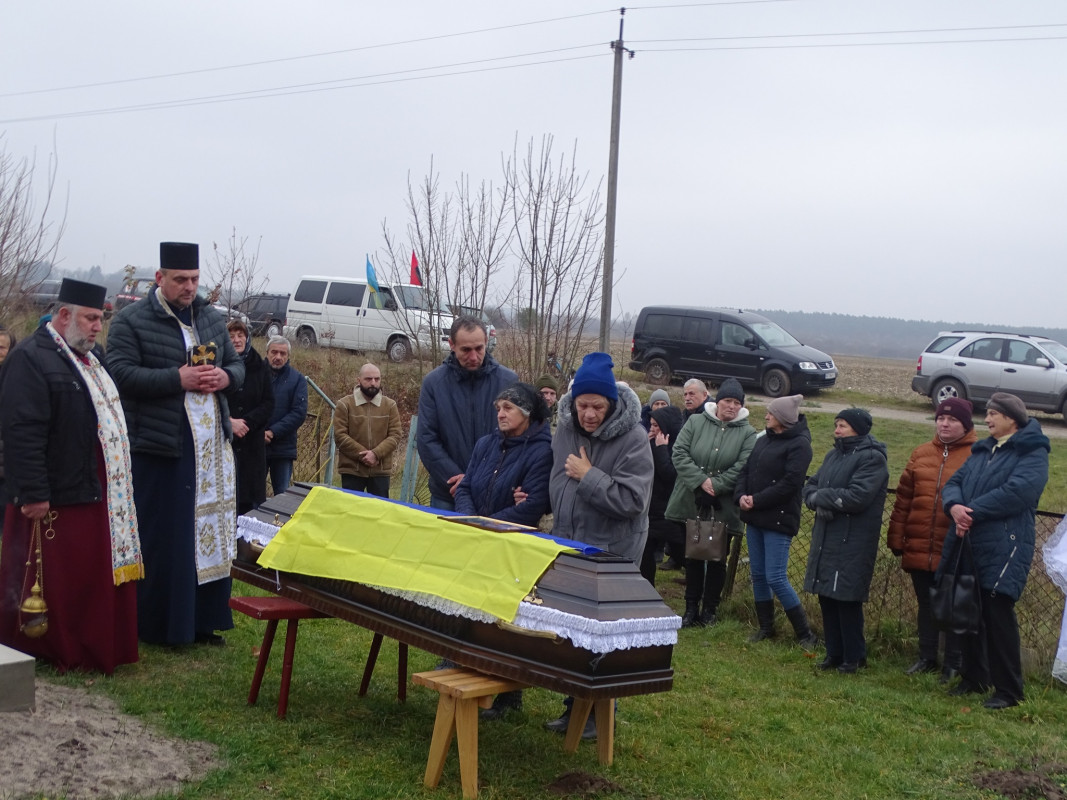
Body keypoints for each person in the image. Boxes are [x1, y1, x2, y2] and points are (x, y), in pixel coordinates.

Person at [0, 279, 142, 673]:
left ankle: (93, 645)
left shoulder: (92, 359)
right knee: (54, 581)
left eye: (101, 319)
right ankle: (53, 646)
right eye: (91, 318)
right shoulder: (31, 357)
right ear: (64, 316)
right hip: (53, 494)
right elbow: (22, 429)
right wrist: (32, 492)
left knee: (86, 579)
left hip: (95, 491)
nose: (99, 327)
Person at [107, 241, 244, 647]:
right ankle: (160, 625)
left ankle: (203, 621)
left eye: (195, 279)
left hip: (211, 450)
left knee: (208, 531)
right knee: (168, 536)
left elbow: (238, 364)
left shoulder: (209, 317)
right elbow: (120, 373)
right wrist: (176, 379)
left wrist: (226, 379)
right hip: (162, 446)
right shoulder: (132, 320)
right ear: (160, 279)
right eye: (181, 280)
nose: (189, 287)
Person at [545, 352, 654, 738]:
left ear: (611, 404)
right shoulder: (566, 430)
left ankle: (599, 712)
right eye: (582, 405)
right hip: (570, 542)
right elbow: (557, 479)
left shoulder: (634, 439)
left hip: (613, 550)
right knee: (572, 629)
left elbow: (632, 501)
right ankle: (573, 705)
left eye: (597, 406)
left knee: (603, 632)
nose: (589, 414)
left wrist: (588, 475)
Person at [941, 392, 1049, 709]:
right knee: (970, 610)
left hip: (1006, 543)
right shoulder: (983, 450)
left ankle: (1009, 690)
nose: (986, 420)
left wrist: (969, 512)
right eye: (986, 414)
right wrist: (954, 506)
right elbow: (955, 482)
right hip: (972, 541)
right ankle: (975, 678)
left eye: (993, 414)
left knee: (997, 613)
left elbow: (1018, 492)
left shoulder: (1032, 452)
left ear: (1011, 418)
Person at [454, 382, 553, 721]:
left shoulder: (541, 450)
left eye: (508, 408)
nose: (501, 414)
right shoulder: (485, 444)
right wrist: (473, 521)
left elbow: (532, 504)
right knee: (470, 606)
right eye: (499, 408)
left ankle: (507, 696)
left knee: (503, 620)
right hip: (478, 538)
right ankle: (463, 663)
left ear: (526, 414)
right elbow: (465, 485)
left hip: (511, 546)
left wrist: (488, 526)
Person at [887, 397, 977, 681]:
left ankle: (954, 662)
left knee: (953, 605)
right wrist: (897, 536)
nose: (945, 423)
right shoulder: (921, 453)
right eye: (941, 418)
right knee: (925, 604)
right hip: (919, 542)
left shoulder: (977, 456)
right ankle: (926, 656)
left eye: (952, 420)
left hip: (954, 545)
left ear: (965, 424)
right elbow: (903, 499)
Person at [802, 408, 889, 674]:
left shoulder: (873, 459)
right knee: (827, 596)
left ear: (857, 429)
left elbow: (857, 498)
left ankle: (854, 656)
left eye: (843, 426)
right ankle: (834, 652)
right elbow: (810, 486)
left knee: (846, 598)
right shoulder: (833, 454)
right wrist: (820, 499)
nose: (837, 430)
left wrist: (822, 499)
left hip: (853, 539)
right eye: (836, 424)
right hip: (827, 536)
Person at [665, 378, 757, 628]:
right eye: (728, 400)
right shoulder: (695, 422)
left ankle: (710, 610)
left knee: (717, 559)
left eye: (737, 402)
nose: (732, 406)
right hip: (691, 500)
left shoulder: (747, 433)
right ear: (718, 401)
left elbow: (742, 467)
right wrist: (700, 481)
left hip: (723, 506)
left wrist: (715, 486)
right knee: (693, 556)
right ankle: (690, 608)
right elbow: (680, 452)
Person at [735, 394, 816, 646]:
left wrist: (756, 499)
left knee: (775, 577)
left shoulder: (800, 445)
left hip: (778, 520)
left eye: (771, 413)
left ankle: (805, 634)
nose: (766, 416)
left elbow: (790, 483)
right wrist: (741, 496)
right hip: (755, 517)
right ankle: (765, 627)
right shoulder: (764, 439)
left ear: (782, 418)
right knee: (758, 575)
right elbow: (746, 470)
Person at [416, 316, 518, 510]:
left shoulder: (508, 381)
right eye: (466, 350)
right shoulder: (434, 384)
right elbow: (427, 439)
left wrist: (489, 479)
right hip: (448, 492)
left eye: (479, 349)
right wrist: (458, 480)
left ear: (486, 342)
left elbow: (518, 436)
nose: (473, 357)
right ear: (452, 345)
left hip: (495, 493)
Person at [225, 319, 274, 515]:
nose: (236, 340)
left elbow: (268, 403)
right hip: (226, 441)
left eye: (240, 335)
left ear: (247, 338)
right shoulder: (219, 364)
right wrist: (230, 423)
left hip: (252, 445)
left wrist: (247, 423)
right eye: (231, 337)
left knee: (250, 507)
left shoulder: (260, 366)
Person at [333, 363, 402, 498]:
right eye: (368, 379)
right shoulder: (344, 404)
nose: (373, 383)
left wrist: (376, 454)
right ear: (359, 380)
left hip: (380, 471)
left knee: (379, 514)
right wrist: (364, 456)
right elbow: (340, 436)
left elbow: (395, 435)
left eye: (377, 379)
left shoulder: (390, 405)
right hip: (352, 470)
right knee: (351, 512)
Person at [640, 404, 685, 586]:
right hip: (651, 508)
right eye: (651, 424)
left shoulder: (678, 446)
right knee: (646, 551)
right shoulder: (650, 442)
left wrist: (660, 449)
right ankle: (646, 587)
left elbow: (669, 475)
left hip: (671, 510)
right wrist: (645, 443)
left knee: (682, 551)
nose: (652, 429)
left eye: (657, 426)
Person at [264, 336, 308, 495]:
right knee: (251, 496)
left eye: (283, 353)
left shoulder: (298, 380)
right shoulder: (254, 375)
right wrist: (258, 432)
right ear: (267, 353)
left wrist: (273, 432)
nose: (278, 357)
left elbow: (299, 413)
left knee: (281, 496)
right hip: (255, 446)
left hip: (283, 449)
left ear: (288, 356)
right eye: (274, 352)